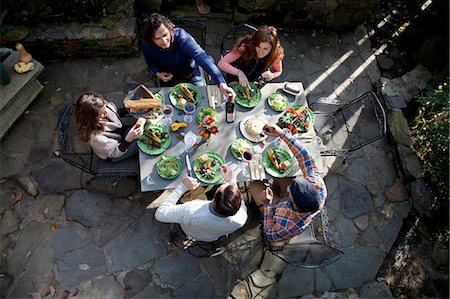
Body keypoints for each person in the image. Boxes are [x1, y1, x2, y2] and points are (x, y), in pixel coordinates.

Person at [248, 123, 327, 242]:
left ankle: (262, 201)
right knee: (282, 173)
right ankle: (274, 189)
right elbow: (305, 157)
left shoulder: (289, 227)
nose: (288, 188)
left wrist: (267, 204)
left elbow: (270, 234)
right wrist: (282, 134)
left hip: (275, 211)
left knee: (254, 184)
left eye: (290, 190)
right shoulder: (316, 184)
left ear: (294, 203)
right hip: (287, 203)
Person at [140, 13, 235, 100]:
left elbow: (201, 57)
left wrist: (221, 82)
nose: (164, 41)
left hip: (191, 73)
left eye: (165, 35)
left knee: (202, 99)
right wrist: (157, 72)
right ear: (151, 39)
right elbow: (149, 59)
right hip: (168, 77)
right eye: (158, 38)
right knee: (165, 104)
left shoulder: (182, 38)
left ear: (169, 29)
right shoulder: (147, 44)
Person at [155, 166, 248, 242]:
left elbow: (160, 214)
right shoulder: (241, 219)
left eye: (221, 187)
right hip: (210, 238)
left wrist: (182, 187)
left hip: (190, 232)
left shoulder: (191, 210)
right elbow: (241, 202)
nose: (223, 184)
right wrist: (231, 181)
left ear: (214, 199)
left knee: (192, 192)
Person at [75, 92, 143, 161]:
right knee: (143, 144)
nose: (106, 113)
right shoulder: (97, 139)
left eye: (105, 109)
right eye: (101, 114)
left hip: (121, 135)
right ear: (90, 119)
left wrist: (129, 108)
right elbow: (115, 153)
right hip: (116, 151)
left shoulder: (101, 106)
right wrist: (128, 140)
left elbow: (115, 113)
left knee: (144, 131)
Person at [218, 25, 285, 87]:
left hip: (253, 82)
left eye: (265, 49)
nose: (261, 52)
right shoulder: (245, 47)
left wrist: (272, 75)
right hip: (233, 78)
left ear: (272, 48)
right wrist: (239, 73)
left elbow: (278, 71)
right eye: (258, 47)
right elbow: (221, 63)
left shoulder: (276, 54)